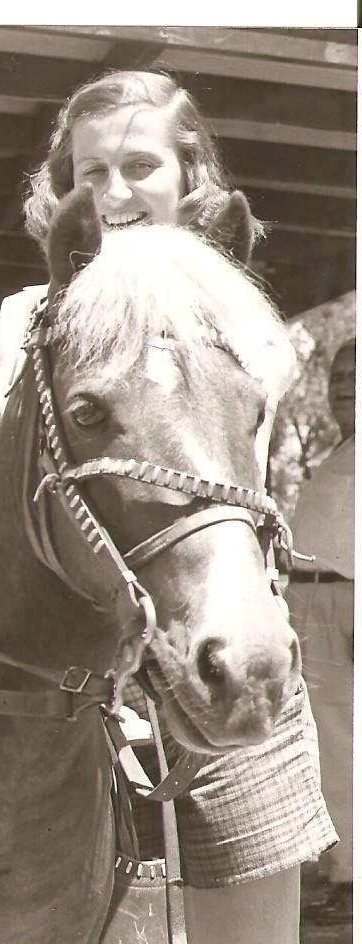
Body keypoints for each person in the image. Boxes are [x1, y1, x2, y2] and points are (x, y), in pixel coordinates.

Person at [0, 70, 337, 944]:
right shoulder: (25, 319)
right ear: (65, 192)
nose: (115, 191)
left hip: (215, 632)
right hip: (61, 675)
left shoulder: (235, 321)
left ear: (189, 176)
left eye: (141, 166)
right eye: (90, 172)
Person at [286, 337, 355, 926]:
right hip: (310, 599)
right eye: (338, 377)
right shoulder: (340, 450)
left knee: (340, 740)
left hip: (344, 601)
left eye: (358, 377)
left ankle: (351, 880)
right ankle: (338, 866)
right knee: (321, 741)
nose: (344, 388)